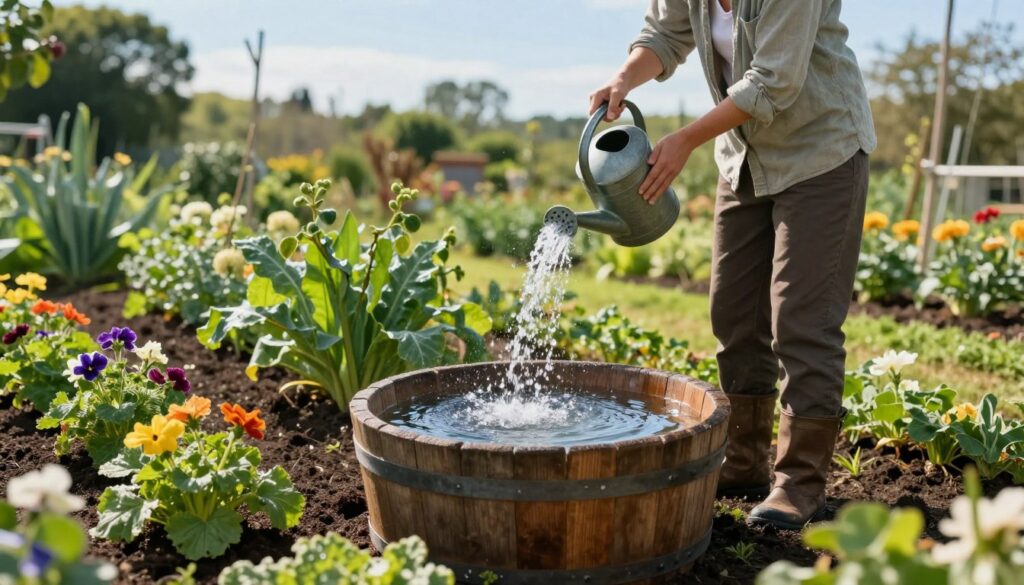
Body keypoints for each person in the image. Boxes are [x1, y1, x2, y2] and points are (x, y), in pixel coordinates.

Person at [590, 0, 875, 530]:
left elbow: (773, 82)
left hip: (820, 153)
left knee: (802, 321)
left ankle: (799, 484)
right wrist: (623, 80)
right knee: (735, 316)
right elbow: (665, 35)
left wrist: (685, 141)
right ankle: (743, 463)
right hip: (744, 158)